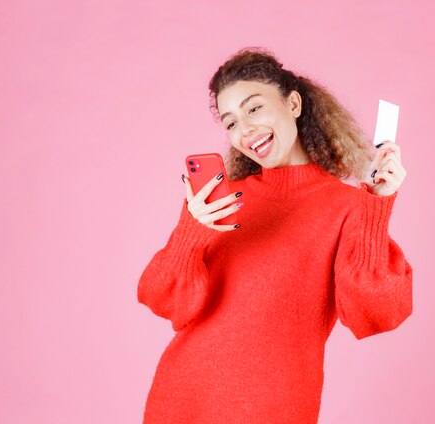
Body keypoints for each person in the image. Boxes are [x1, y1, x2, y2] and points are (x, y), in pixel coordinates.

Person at [137, 46, 413, 424]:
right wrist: (191, 231)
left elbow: (377, 313)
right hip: (184, 400)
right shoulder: (218, 202)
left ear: (294, 104)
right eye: (231, 122)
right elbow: (166, 302)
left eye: (253, 109)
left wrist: (376, 208)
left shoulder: (348, 207)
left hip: (278, 408)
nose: (244, 130)